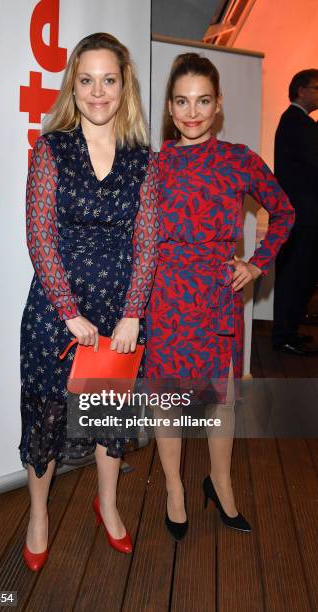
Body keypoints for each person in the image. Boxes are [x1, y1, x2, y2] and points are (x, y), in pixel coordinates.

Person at [119, 53, 295, 539]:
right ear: (170, 109)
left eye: (202, 101)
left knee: (221, 401)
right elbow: (138, 239)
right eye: (182, 101)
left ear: (218, 105)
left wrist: (257, 262)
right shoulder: (152, 167)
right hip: (166, 294)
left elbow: (284, 212)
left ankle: (220, 482)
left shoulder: (239, 160)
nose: (192, 112)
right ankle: (174, 488)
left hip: (217, 296)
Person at [19, 32, 149, 569]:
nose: (99, 91)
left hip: (119, 308)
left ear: (125, 86)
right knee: (46, 417)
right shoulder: (51, 149)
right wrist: (69, 313)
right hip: (57, 312)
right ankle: (39, 514)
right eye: (87, 79)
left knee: (109, 415)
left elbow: (146, 238)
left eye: (109, 80)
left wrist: (133, 313)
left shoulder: (144, 159)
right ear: (74, 84)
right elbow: (39, 234)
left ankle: (109, 503)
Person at [272, 69, 318, 355]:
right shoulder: (297, 123)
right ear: (301, 90)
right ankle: (285, 336)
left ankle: (289, 332)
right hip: (304, 217)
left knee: (300, 276)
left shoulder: (298, 122)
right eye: (316, 87)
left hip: (302, 215)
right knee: (295, 277)